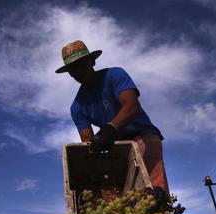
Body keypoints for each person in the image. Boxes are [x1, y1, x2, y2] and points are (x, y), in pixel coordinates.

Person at [55, 40, 170, 196]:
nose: (77, 71)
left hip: (142, 135)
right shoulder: (77, 107)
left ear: (92, 61)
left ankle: (162, 210)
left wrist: (109, 129)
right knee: (116, 192)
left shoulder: (114, 75)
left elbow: (132, 106)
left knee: (155, 191)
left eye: (81, 64)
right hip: (116, 146)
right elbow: (88, 142)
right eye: (72, 69)